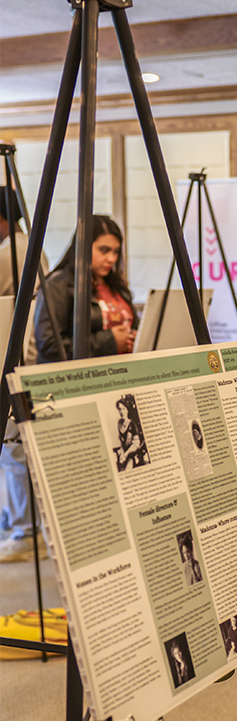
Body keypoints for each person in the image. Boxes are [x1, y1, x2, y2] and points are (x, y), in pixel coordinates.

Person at [0, 192, 49, 562]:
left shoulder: (6, 253)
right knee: (19, 448)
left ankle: (22, 531)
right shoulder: (32, 247)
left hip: (12, 359)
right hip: (29, 360)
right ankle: (23, 526)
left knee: (13, 450)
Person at [34, 214, 137, 364]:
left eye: (116, 252)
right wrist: (110, 341)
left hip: (122, 372)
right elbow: (50, 345)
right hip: (80, 378)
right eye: (104, 250)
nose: (112, 259)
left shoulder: (115, 285)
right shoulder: (59, 284)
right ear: (83, 247)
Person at [115, 396, 145, 471]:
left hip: (132, 454)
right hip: (123, 454)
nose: (121, 412)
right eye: (119, 409)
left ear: (127, 410)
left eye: (123, 409)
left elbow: (136, 444)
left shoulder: (132, 424)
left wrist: (126, 455)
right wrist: (121, 454)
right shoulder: (119, 423)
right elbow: (121, 442)